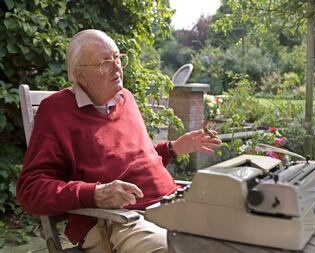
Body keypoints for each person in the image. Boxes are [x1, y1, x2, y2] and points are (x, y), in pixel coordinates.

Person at [16, 29, 221, 253]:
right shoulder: (56, 111)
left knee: (239, 231)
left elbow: (130, 160)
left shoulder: (126, 99)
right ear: (79, 75)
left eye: (117, 58)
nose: (117, 68)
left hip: (167, 206)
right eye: (105, 62)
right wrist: (94, 193)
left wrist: (173, 148)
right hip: (117, 222)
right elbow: (30, 189)